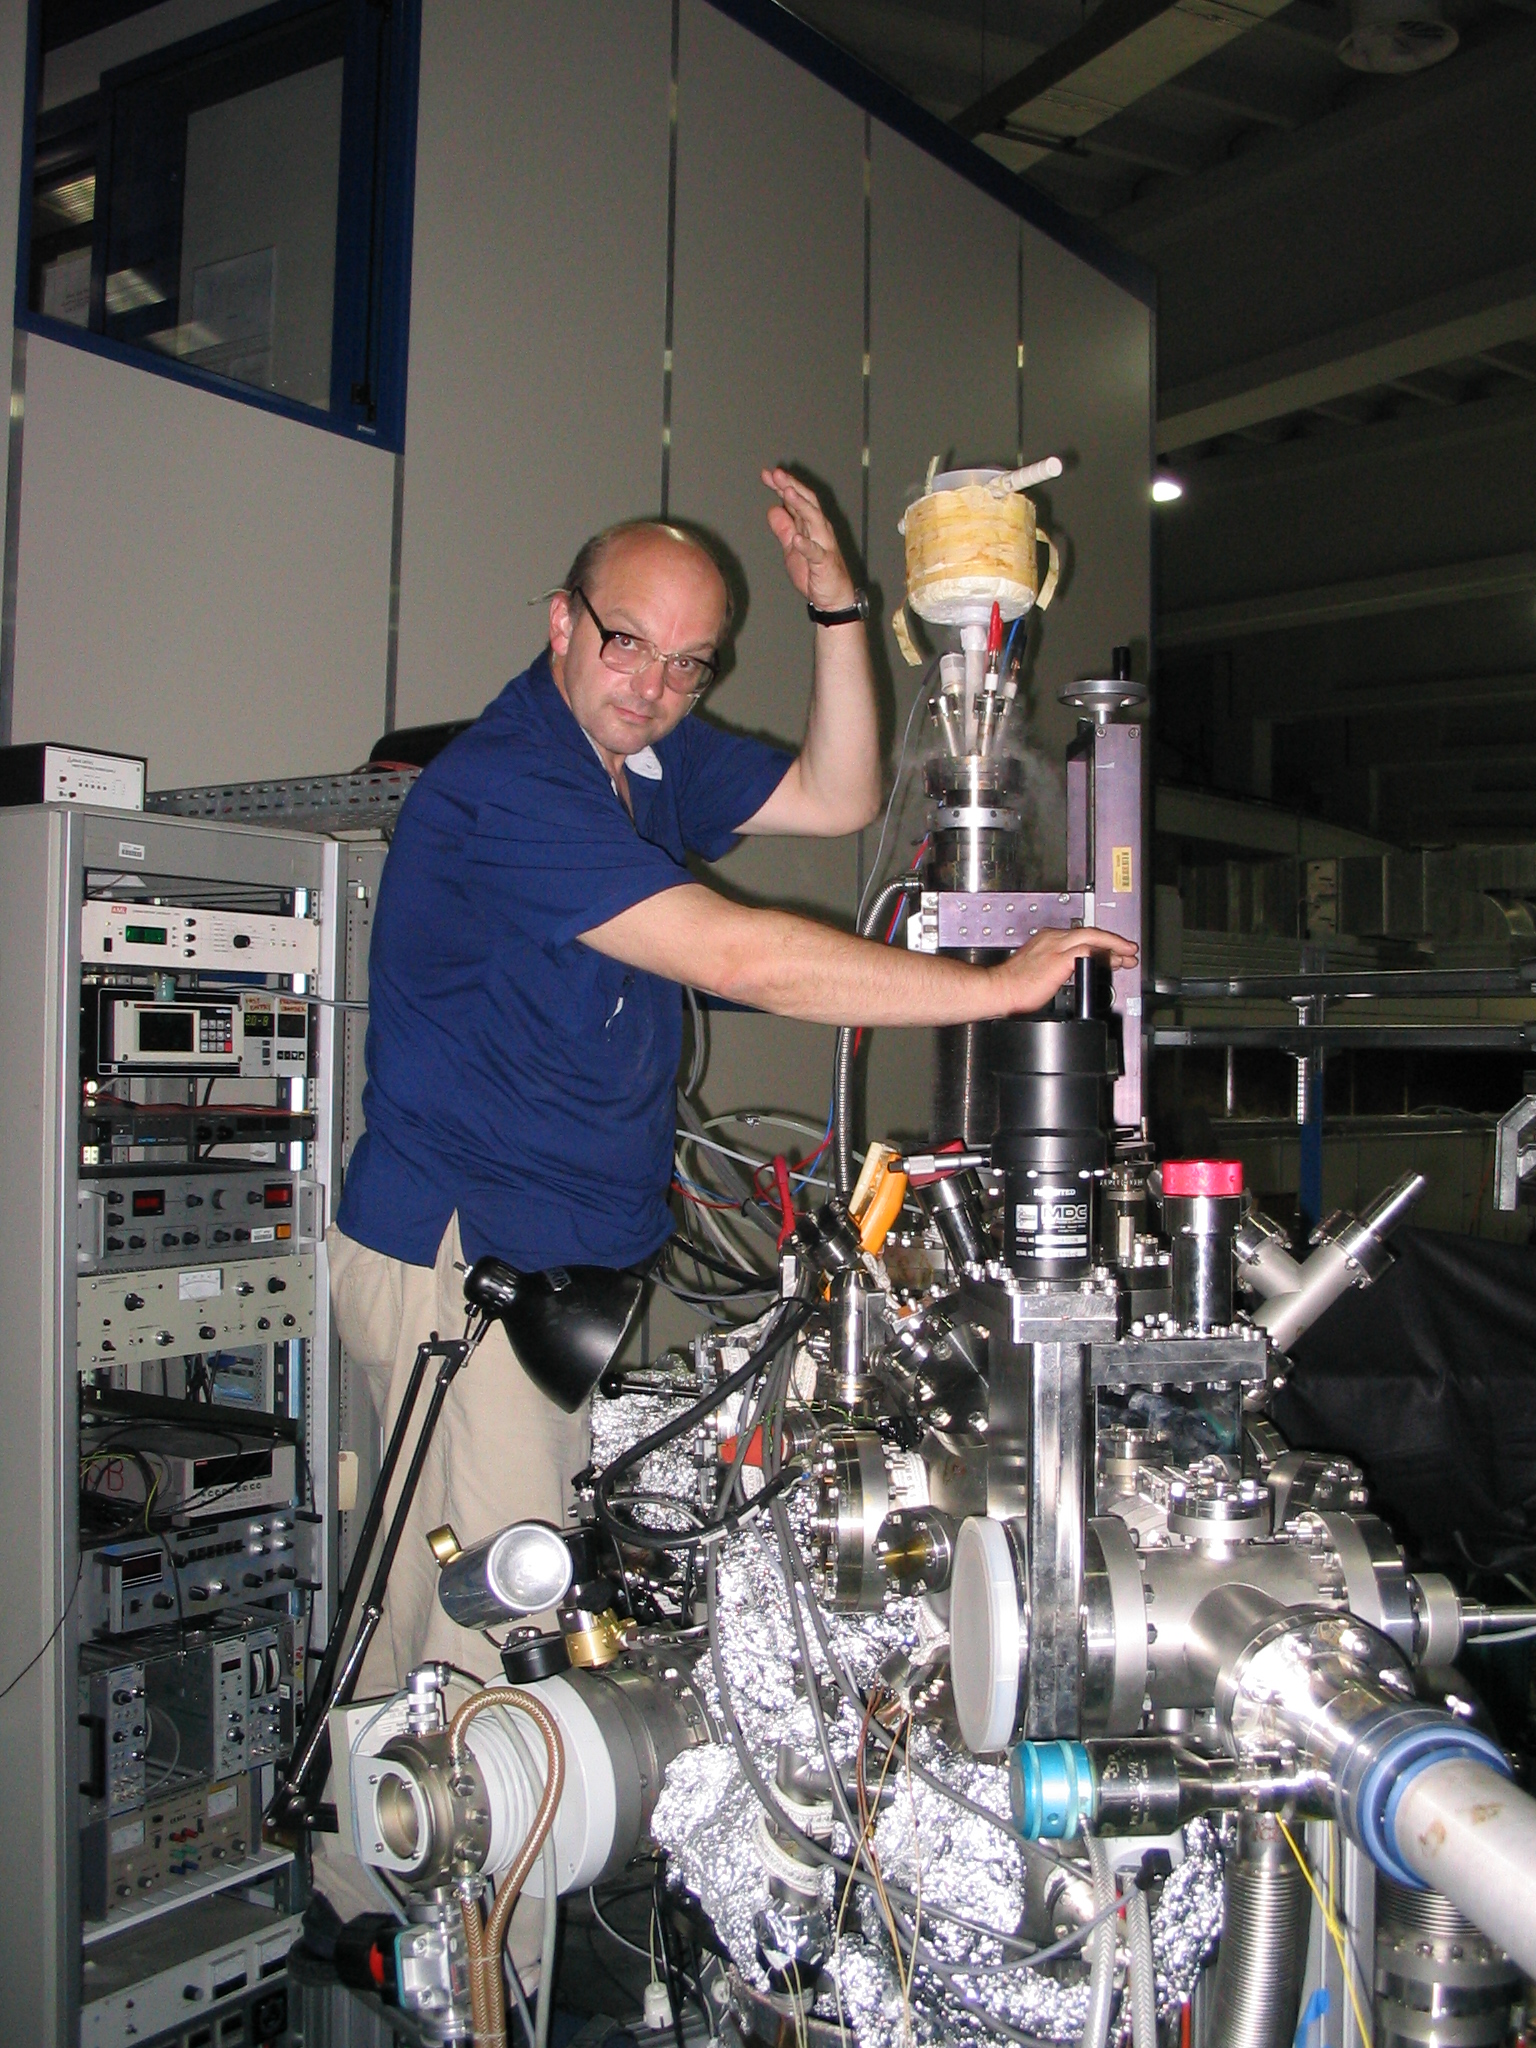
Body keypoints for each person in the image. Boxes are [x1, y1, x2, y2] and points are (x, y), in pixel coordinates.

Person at [316, 467, 1134, 1940]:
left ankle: (396, 1909)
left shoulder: (636, 759)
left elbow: (840, 796)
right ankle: (460, 1959)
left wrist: (840, 611)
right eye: (628, 644)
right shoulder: (511, 783)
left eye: (690, 664)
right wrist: (995, 988)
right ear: (561, 623)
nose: (655, 687)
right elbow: (744, 956)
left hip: (558, 1257)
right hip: (465, 1260)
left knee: (468, 1594)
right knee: (491, 1630)